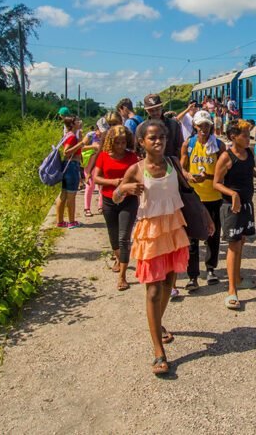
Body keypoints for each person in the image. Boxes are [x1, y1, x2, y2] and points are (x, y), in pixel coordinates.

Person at [115, 119, 207, 376]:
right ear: (141, 142)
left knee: (168, 284)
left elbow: (188, 187)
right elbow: (115, 196)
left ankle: (158, 322)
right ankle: (158, 351)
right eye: (152, 138)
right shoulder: (136, 169)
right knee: (154, 290)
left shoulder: (173, 163)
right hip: (151, 233)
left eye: (162, 137)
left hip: (174, 228)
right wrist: (125, 188)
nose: (158, 141)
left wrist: (205, 214)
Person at [213, 120, 256, 309]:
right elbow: (216, 182)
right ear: (233, 137)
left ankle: (238, 278)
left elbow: (248, 171)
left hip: (246, 204)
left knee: (241, 242)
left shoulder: (248, 153)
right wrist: (232, 194)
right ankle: (232, 291)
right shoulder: (226, 156)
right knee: (233, 246)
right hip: (231, 207)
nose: (249, 139)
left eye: (249, 135)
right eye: (245, 135)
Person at [181, 110, 225, 290]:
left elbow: (224, 171)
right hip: (195, 198)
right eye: (200, 126)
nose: (203, 129)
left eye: (207, 125)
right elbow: (181, 168)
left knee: (213, 236)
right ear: (195, 126)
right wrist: (189, 176)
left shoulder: (220, 146)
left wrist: (209, 176)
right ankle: (193, 276)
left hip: (214, 196)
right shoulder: (188, 144)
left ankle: (211, 269)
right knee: (192, 239)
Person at [94, 125, 139, 290]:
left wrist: (129, 185)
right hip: (108, 201)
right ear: (111, 142)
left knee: (124, 238)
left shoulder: (132, 157)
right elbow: (96, 177)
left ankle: (122, 276)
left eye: (123, 142)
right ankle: (119, 259)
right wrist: (113, 182)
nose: (121, 146)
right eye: (117, 142)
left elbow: (139, 176)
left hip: (129, 201)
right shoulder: (104, 156)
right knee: (113, 237)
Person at [56, 116, 89, 229]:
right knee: (71, 195)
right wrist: (80, 144)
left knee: (64, 194)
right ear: (72, 124)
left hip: (69, 167)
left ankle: (60, 221)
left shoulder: (72, 135)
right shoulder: (71, 137)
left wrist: (80, 139)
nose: (80, 122)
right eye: (77, 121)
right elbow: (66, 152)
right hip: (71, 167)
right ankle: (71, 221)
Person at [143, 94, 184, 158]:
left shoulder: (173, 125)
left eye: (157, 109)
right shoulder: (142, 128)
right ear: (146, 110)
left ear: (162, 107)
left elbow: (180, 147)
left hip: (171, 164)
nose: (155, 112)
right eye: (151, 110)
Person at [82, 123, 105, 217]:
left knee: (102, 185)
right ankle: (87, 208)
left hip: (101, 163)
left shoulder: (106, 136)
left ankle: (101, 206)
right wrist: (93, 147)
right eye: (100, 131)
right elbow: (81, 147)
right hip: (89, 164)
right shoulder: (90, 135)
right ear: (97, 129)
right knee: (90, 185)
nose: (101, 134)